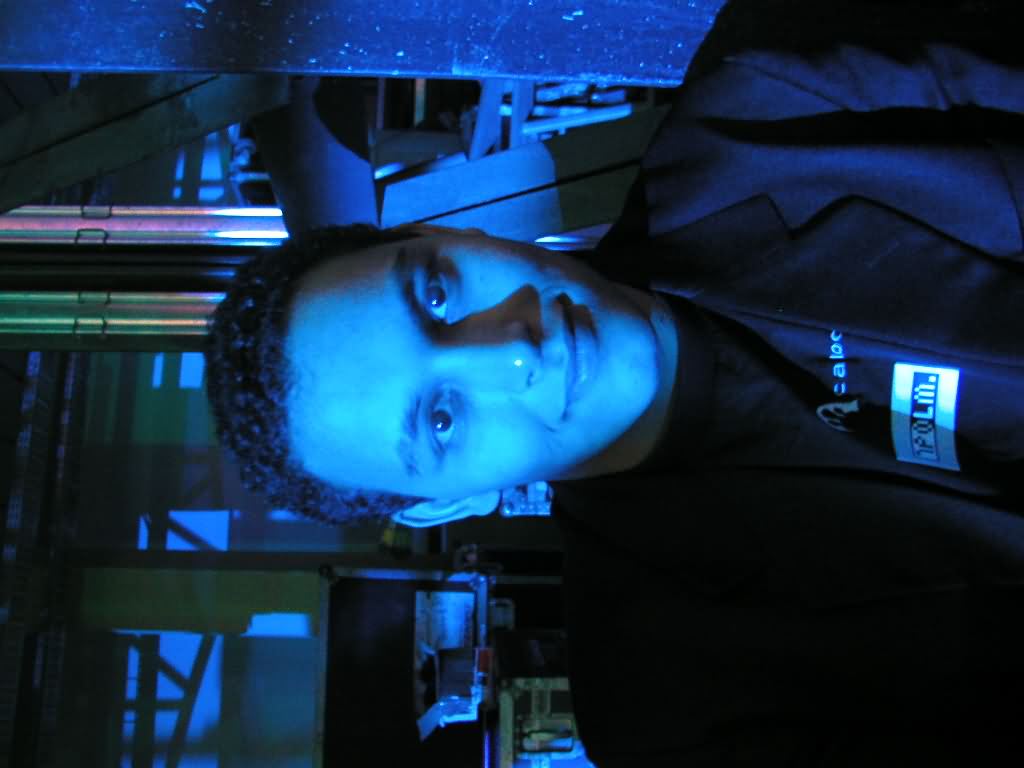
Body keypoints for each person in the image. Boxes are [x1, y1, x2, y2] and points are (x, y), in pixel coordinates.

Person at [206, 0, 1024, 763]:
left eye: (438, 293)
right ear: (444, 506)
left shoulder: (775, 95)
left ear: (449, 232)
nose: (513, 355)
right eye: (442, 421)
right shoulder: (673, 704)